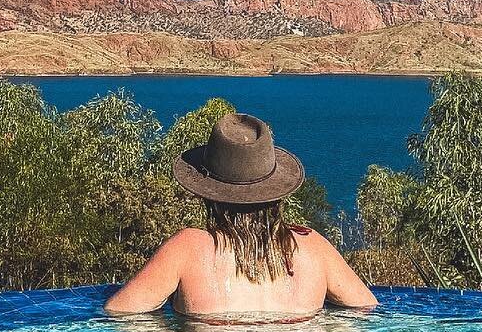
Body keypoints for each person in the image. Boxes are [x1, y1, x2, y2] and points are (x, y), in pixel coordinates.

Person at [104, 112, 377, 320]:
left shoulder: (188, 248)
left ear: (208, 193)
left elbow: (118, 313)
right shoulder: (313, 247)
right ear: (275, 193)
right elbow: (367, 310)